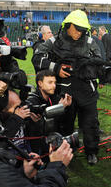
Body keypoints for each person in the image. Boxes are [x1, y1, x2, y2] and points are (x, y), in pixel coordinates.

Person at [32, 10, 104, 165]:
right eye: (77, 29)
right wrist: (56, 68)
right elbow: (36, 58)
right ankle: (66, 152)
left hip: (87, 92)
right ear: (68, 26)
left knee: (90, 124)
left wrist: (85, 69)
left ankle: (91, 151)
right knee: (65, 125)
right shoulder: (53, 41)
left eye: (83, 30)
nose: (80, 33)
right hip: (64, 93)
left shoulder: (90, 42)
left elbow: (99, 63)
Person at [25, 70, 72, 157]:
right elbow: (41, 123)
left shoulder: (53, 97)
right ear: (40, 84)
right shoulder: (32, 100)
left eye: (55, 82)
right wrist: (59, 108)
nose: (54, 86)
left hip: (50, 138)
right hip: (36, 143)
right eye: (50, 82)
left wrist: (66, 106)